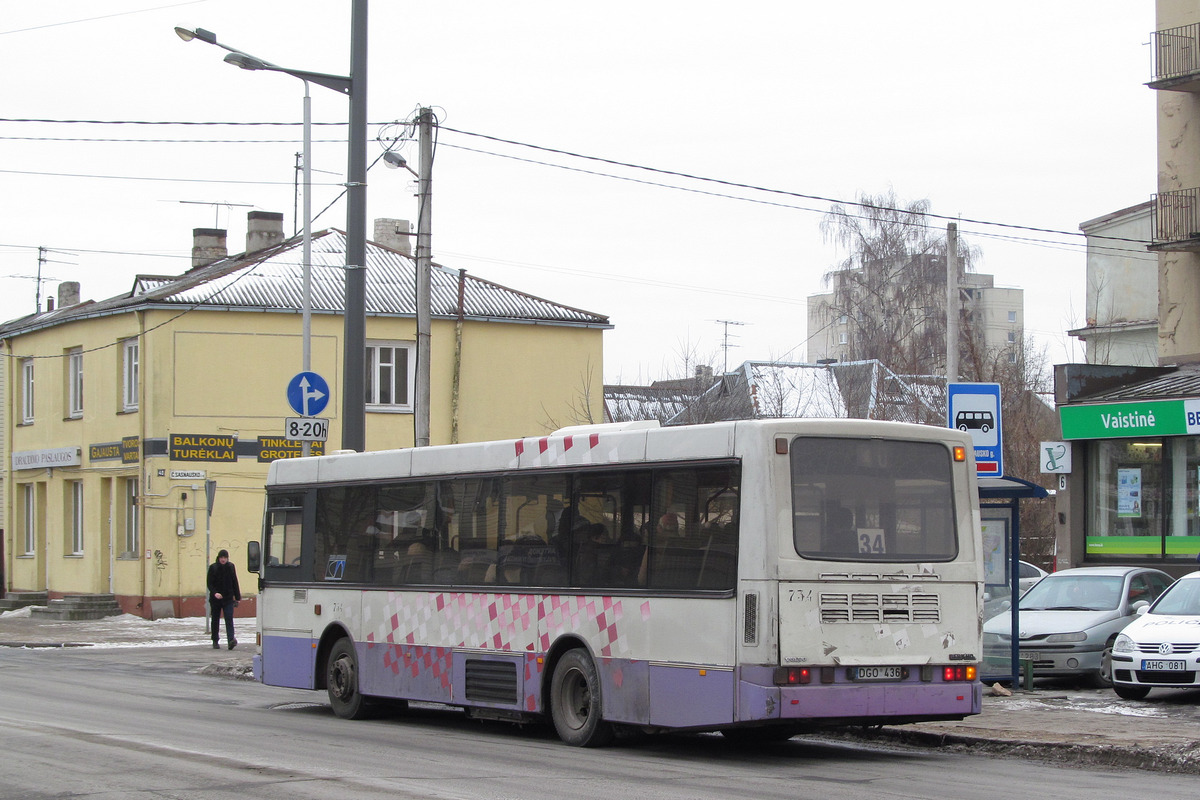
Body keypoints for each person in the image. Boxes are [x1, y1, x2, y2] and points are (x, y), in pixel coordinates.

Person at [207, 549, 242, 650]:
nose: (223, 560)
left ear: (227, 558)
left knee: (229, 618)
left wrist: (237, 597)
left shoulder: (231, 567)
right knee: (215, 619)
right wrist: (215, 593)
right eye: (221, 558)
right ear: (218, 558)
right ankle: (215, 640)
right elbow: (209, 583)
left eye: (225, 558)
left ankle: (231, 640)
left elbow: (234, 581)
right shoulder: (213, 567)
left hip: (228, 598)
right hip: (216, 599)